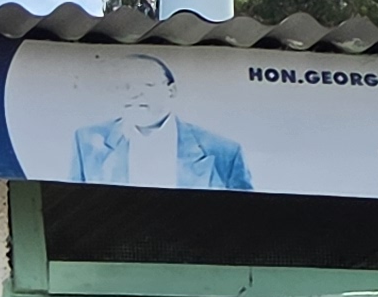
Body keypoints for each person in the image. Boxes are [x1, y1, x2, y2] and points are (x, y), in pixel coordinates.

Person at [63, 49, 252, 191]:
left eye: (147, 85)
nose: (135, 94)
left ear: (171, 91)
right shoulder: (87, 142)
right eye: (125, 86)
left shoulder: (222, 151)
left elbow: (245, 218)